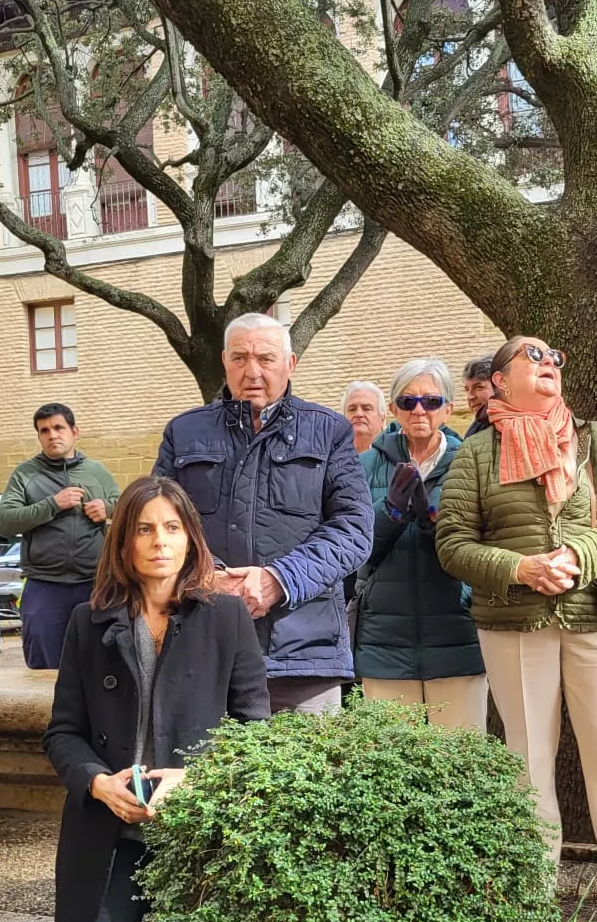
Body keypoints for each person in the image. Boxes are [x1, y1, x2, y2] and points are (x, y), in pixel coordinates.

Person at [437, 336, 597, 922]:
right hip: (513, 622)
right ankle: (534, 890)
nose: (549, 368)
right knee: (527, 757)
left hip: (594, 617)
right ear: (502, 382)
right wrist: (520, 568)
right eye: (533, 360)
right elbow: (453, 542)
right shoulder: (479, 453)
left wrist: (578, 553)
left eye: (556, 360)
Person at [44, 477, 269, 922]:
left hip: (197, 839)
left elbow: (255, 730)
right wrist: (96, 781)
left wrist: (193, 780)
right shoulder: (87, 624)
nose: (159, 542)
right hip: (108, 838)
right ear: (122, 541)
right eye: (144, 529)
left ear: (191, 539)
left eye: (172, 528)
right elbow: (62, 732)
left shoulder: (225, 618)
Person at [152, 312, 372, 714]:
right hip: (206, 645)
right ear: (224, 362)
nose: (252, 370)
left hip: (303, 653)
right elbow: (159, 526)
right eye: (239, 358)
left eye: (265, 358)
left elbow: (354, 529)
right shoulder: (184, 433)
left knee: (309, 773)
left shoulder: (329, 432)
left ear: (290, 364)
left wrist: (279, 579)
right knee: (208, 775)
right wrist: (207, 576)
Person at [356, 359, 487, 731]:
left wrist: (434, 525)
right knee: (390, 767)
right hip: (385, 639)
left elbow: (478, 546)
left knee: (462, 762)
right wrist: (392, 512)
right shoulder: (364, 465)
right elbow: (355, 549)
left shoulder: (471, 463)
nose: (419, 410)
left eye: (431, 401)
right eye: (408, 401)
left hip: (457, 636)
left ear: (448, 408)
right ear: (394, 408)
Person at [0, 403, 120, 670]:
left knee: (101, 665)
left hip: (94, 583)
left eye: (58, 428)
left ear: (75, 432)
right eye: (44, 430)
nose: (52, 435)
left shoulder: (97, 472)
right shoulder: (25, 474)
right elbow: (4, 521)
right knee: (43, 668)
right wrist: (53, 504)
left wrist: (107, 509)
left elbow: (127, 510)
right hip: (44, 585)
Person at [343, 381, 388, 454]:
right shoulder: (331, 457)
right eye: (352, 409)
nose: (358, 414)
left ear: (382, 419)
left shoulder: (395, 456)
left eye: (367, 409)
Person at [463, 356, 494, 437]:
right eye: (467, 389)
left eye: (478, 387)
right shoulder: (473, 431)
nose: (470, 397)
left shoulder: (513, 425)